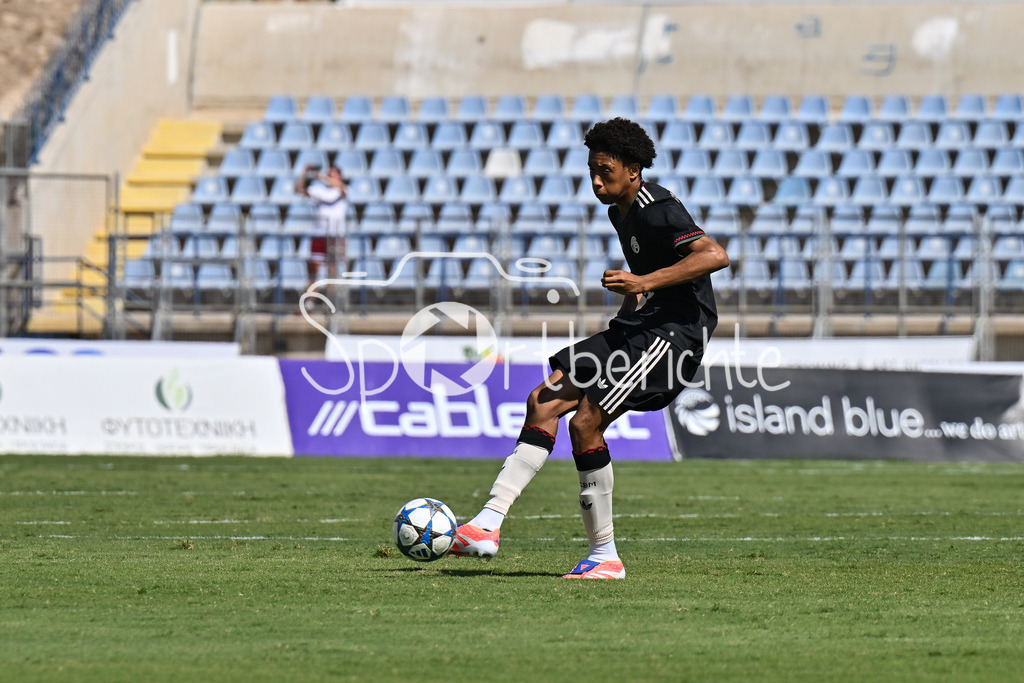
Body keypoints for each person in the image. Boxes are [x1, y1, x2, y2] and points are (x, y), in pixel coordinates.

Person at [449, 118, 730, 579]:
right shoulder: (618, 211)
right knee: (542, 401)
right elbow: (647, 285)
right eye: (591, 170)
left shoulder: (654, 204)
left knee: (585, 423)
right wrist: (627, 313)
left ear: (634, 169)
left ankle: (605, 557)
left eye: (605, 170)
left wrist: (642, 282)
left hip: (674, 336)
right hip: (639, 327)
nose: (596, 180)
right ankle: (487, 525)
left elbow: (714, 256)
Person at [295, 164, 348, 283]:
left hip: (336, 235)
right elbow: (299, 190)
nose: (329, 177)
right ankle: (311, 299)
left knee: (332, 271)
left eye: (332, 175)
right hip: (319, 234)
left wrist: (321, 177)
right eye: (328, 174)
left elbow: (339, 186)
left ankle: (331, 299)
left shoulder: (344, 189)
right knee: (313, 270)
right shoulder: (319, 190)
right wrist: (304, 172)